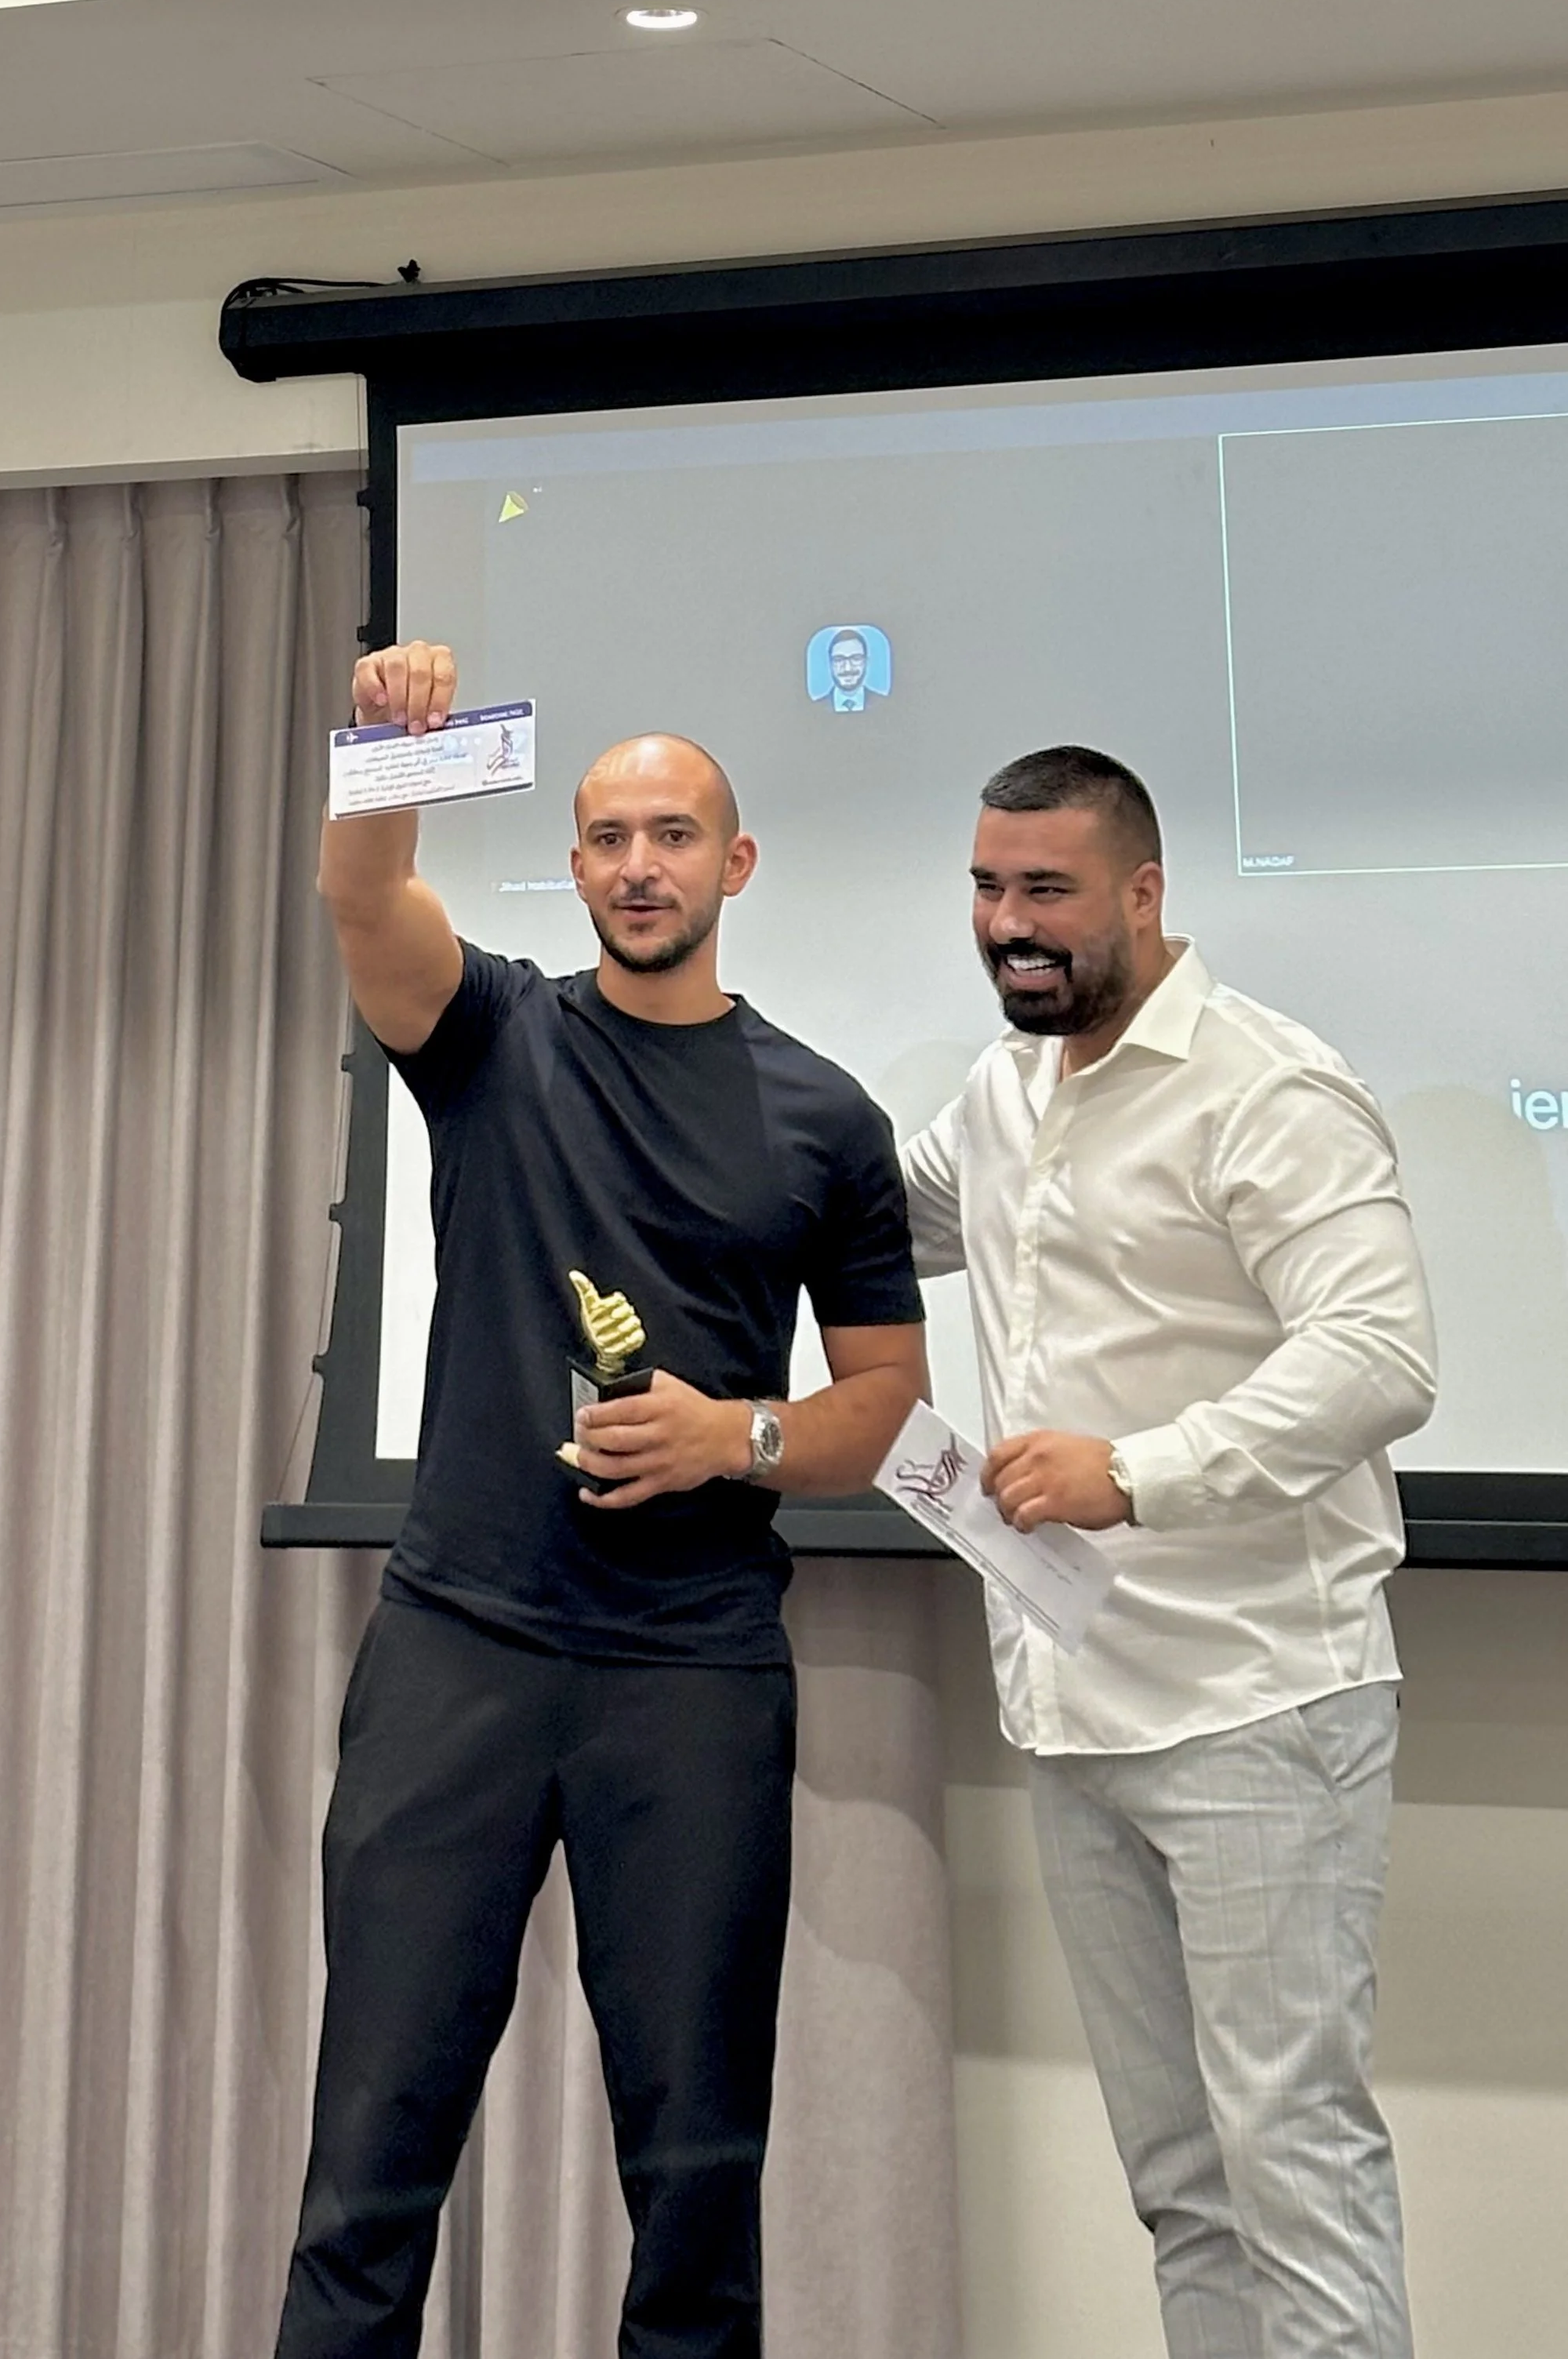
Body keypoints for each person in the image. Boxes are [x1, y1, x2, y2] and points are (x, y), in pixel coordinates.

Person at [277, 639, 929, 2359]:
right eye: (607, 836)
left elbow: (880, 1402)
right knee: (369, 2168)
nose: (640, 863)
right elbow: (361, 898)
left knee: (694, 2188)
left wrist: (742, 1441)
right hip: (458, 1656)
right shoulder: (492, 1035)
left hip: (692, 1676)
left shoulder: (824, 1119)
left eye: (673, 834)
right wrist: (386, 748)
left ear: (735, 863)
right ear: (572, 865)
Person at [900, 746, 1436, 2359]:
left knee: (1295, 2179)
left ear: (1142, 892)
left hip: (1257, 1708)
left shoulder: (1265, 1087)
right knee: (1182, 2187)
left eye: (1045, 891)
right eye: (988, 889)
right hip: (1074, 1712)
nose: (1009, 925)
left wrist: (1135, 1471)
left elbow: (1376, 1353)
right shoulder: (1005, 1093)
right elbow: (853, 1215)